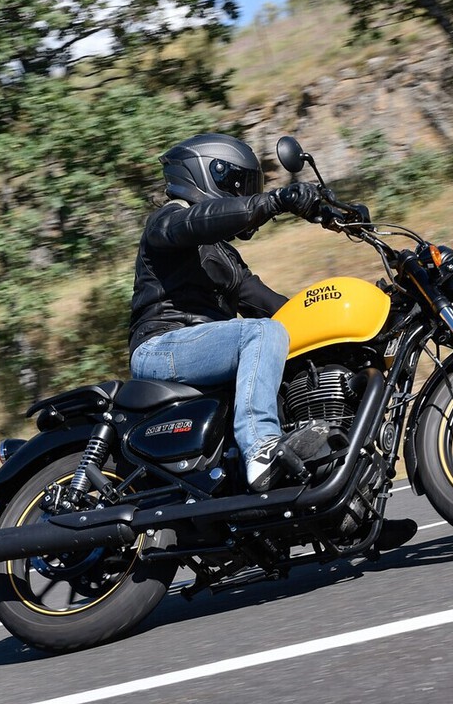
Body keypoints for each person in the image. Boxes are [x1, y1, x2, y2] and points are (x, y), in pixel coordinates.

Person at [128, 133, 321, 491]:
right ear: (208, 174)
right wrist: (275, 200)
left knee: (287, 340)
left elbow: (275, 307)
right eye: (238, 185)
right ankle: (260, 446)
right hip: (160, 347)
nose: (243, 195)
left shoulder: (225, 258)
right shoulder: (168, 220)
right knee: (262, 332)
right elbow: (198, 221)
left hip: (202, 350)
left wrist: (331, 315)